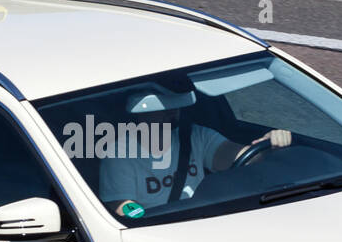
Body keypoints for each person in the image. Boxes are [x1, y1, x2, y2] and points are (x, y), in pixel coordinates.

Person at [99, 89, 290, 217]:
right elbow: (121, 205)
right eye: (163, 108)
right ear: (140, 113)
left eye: (175, 107)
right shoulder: (120, 153)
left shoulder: (195, 136)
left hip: (206, 219)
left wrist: (268, 146)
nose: (172, 113)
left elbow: (238, 157)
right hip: (158, 232)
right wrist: (144, 219)